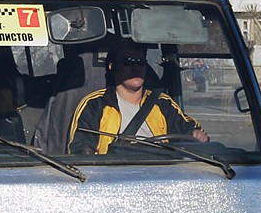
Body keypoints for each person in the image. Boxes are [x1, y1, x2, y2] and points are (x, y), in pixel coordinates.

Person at [68, 41, 207, 155]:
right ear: (112, 67)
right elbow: (79, 150)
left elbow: (190, 131)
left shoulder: (163, 104)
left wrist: (195, 134)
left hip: (161, 176)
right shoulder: (94, 105)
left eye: (140, 62)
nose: (136, 68)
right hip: (112, 180)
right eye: (128, 62)